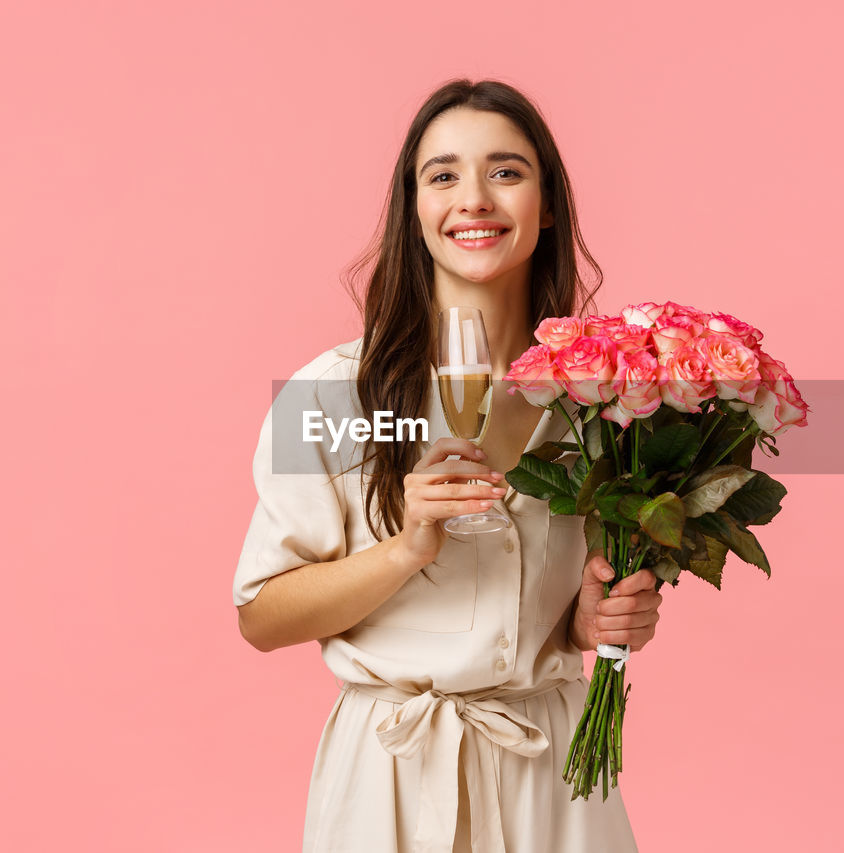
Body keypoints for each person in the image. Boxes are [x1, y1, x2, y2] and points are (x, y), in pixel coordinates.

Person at [233, 79, 664, 852]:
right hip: (390, 782)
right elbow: (260, 616)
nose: (474, 199)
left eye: (505, 171)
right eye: (443, 176)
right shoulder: (327, 394)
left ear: (549, 202)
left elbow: (563, 614)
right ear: (414, 209)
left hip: (553, 781)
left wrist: (594, 622)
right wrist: (406, 549)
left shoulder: (604, 402)